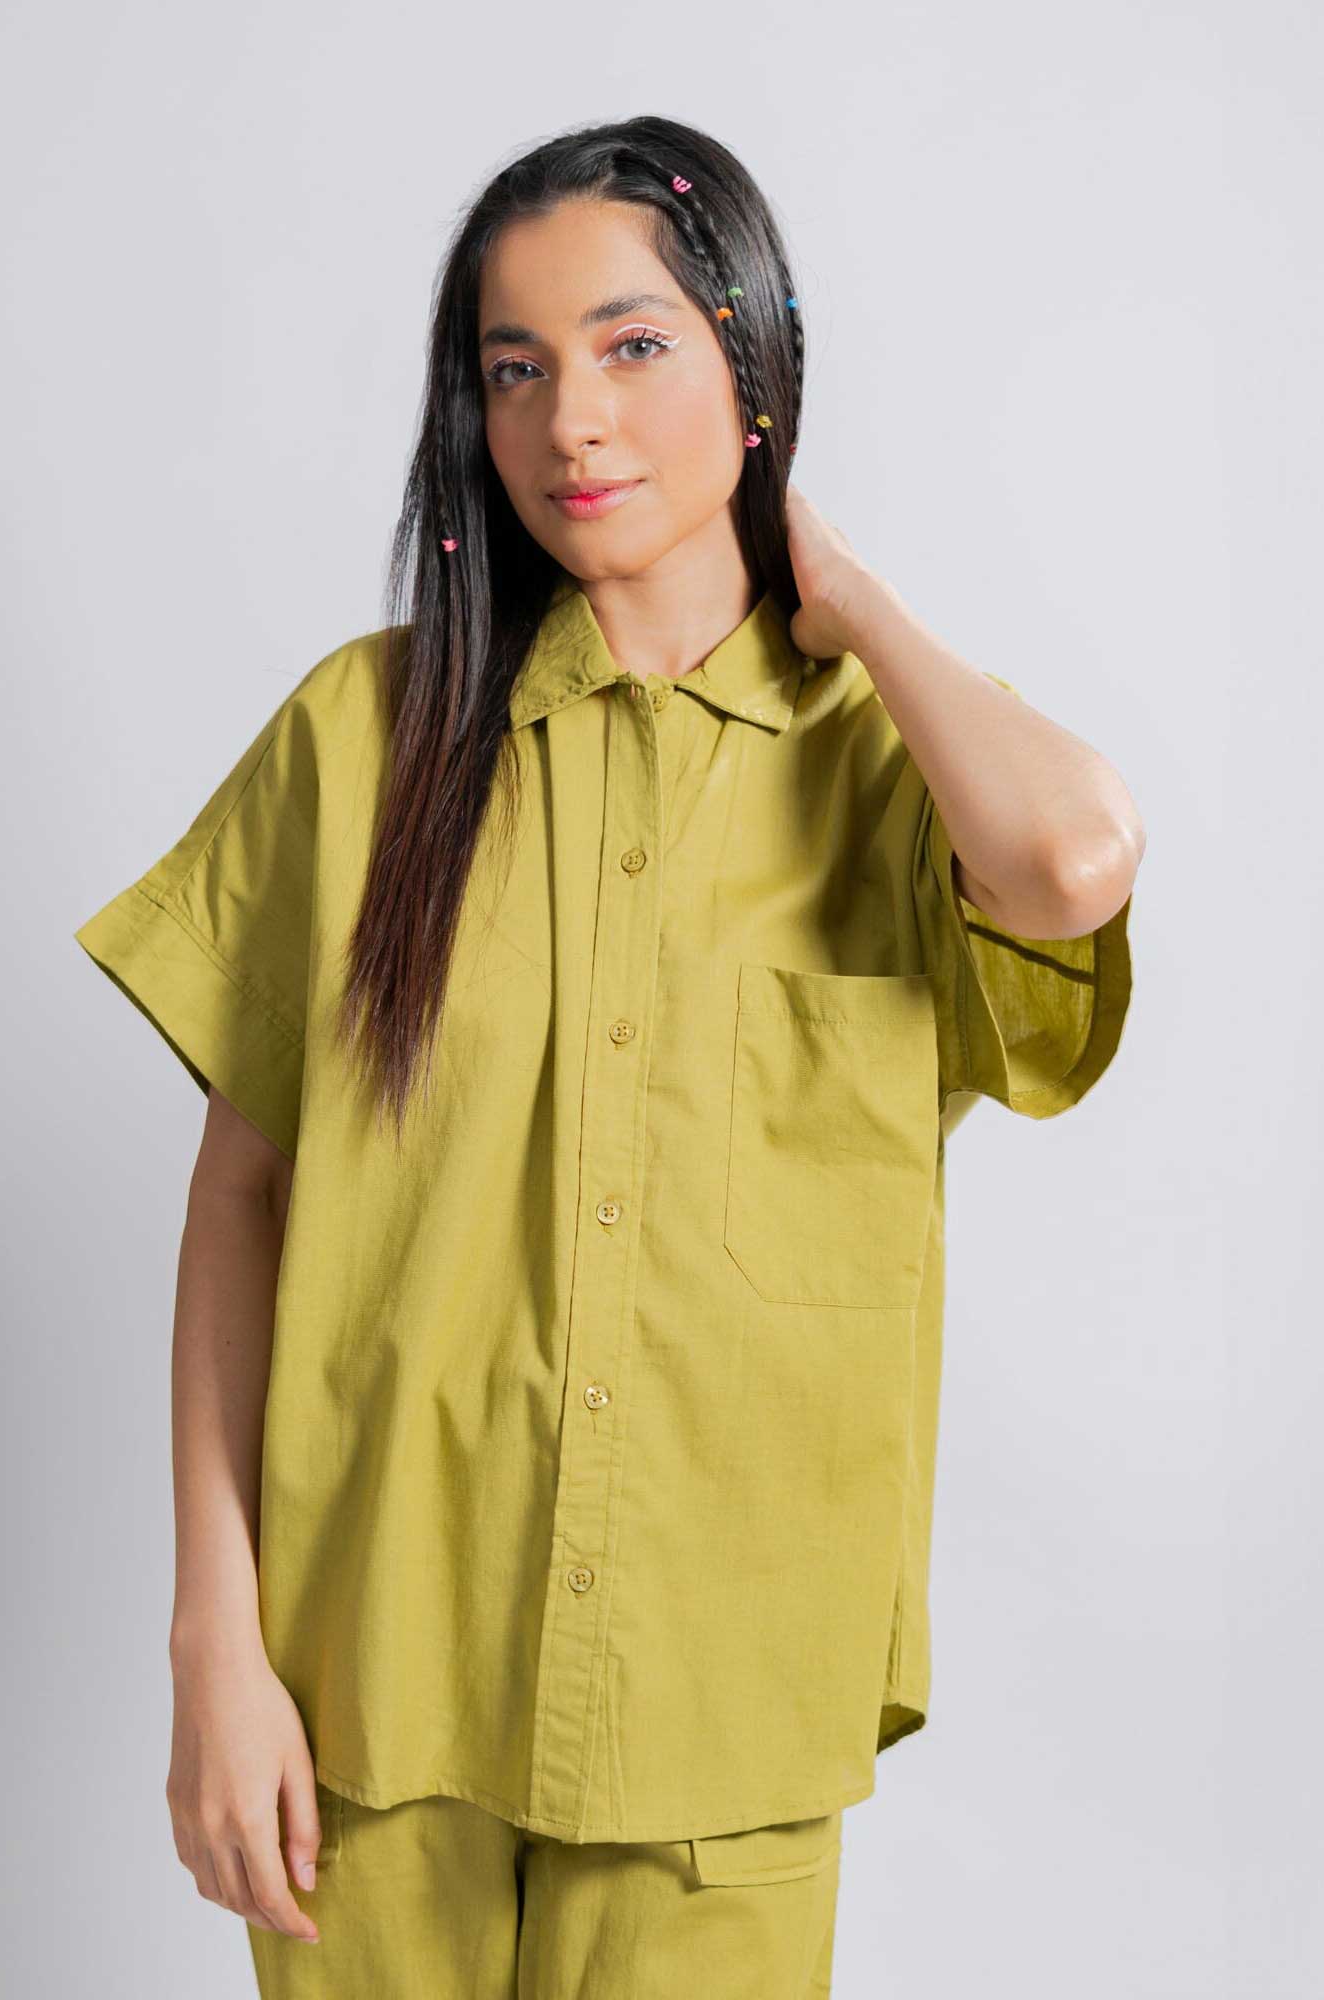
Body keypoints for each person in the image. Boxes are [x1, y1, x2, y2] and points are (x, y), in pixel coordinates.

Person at [72, 113, 1143, 1999]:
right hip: (370, 1702)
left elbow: (1069, 866)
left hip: (721, 1714)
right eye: (515, 368)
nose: (570, 421)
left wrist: (855, 605)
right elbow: (242, 1199)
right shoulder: (362, 739)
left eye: (633, 345)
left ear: (756, 359)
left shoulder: (896, 765)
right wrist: (212, 1650)